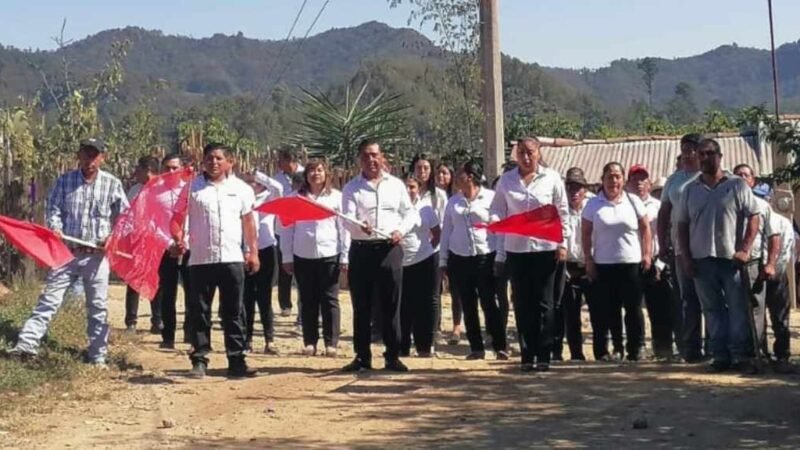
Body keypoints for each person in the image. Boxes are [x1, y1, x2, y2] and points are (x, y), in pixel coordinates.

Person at [6, 138, 128, 366]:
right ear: (79, 156)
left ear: (102, 157)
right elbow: (53, 208)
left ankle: (97, 355)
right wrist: (56, 228)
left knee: (98, 306)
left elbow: (124, 217)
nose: (90, 159)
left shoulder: (112, 184)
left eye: (95, 155)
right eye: (86, 154)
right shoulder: (65, 182)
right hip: (66, 253)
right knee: (49, 300)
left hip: (96, 256)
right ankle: (26, 345)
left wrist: (113, 237)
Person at [677, 138, 760, 373]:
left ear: (719, 156)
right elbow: (682, 225)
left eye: (709, 154)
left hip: (730, 259)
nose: (704, 158)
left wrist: (745, 249)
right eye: (701, 154)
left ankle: (740, 355)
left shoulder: (736, 186)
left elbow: (754, 215)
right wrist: (685, 258)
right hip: (701, 260)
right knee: (712, 310)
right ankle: (720, 356)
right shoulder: (689, 189)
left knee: (736, 308)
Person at [179, 143, 260, 379]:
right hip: (200, 259)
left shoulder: (242, 189)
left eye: (219, 158)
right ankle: (200, 358)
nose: (214, 162)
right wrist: (180, 240)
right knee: (199, 311)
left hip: (231, 257)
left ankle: (237, 359)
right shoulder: (191, 188)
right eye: (209, 158)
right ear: (203, 161)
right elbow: (180, 219)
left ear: (229, 162)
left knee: (234, 311)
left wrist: (253, 251)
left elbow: (248, 222)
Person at [491, 137, 570, 372]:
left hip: (545, 250)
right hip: (517, 250)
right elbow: (497, 209)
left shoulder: (552, 178)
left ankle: (544, 354)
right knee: (523, 303)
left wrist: (562, 243)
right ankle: (527, 355)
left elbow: (562, 212)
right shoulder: (506, 180)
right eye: (522, 153)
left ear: (539, 153)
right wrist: (496, 222)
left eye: (531, 153)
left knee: (545, 303)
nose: (526, 157)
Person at [341, 139, 418, 372]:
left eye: (375, 155)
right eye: (366, 156)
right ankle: (362, 357)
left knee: (391, 304)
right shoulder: (351, 188)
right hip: (362, 250)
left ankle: (392, 356)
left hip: (390, 249)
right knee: (361, 305)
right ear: (359, 160)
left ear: (382, 157)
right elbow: (346, 219)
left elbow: (410, 214)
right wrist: (358, 227)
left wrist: (400, 231)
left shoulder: (396, 185)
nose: (371, 160)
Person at [583, 162, 653, 361]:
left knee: (633, 308)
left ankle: (636, 347)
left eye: (617, 176)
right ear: (602, 179)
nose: (613, 181)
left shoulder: (633, 201)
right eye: (609, 176)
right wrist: (588, 259)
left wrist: (647, 254)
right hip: (604, 264)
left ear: (623, 179)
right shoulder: (593, 204)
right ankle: (617, 347)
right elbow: (586, 233)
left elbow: (646, 229)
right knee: (610, 309)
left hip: (631, 262)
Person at [440, 162, 508, 360]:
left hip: (485, 256)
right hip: (460, 258)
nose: (456, 178)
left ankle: (499, 345)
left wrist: (500, 256)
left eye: (460, 174)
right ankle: (476, 347)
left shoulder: (490, 198)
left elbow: (499, 229)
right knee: (468, 303)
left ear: (470, 177)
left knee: (489, 302)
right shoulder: (453, 202)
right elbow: (447, 232)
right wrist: (443, 260)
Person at [280, 160, 345, 357]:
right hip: (302, 254)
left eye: (319, 170)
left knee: (330, 299)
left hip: (329, 253)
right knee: (307, 299)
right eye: (311, 171)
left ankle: (331, 342)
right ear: (305, 175)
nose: (315, 174)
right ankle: (310, 341)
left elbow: (343, 229)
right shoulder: (295, 199)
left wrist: (345, 255)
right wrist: (287, 256)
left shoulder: (336, 198)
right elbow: (286, 229)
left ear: (326, 174)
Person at [657, 133, 705, 362]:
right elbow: (664, 213)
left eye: (692, 150)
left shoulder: (710, 178)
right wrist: (662, 242)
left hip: (708, 249)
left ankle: (717, 345)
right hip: (679, 250)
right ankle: (691, 348)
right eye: (684, 150)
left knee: (712, 299)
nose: (687, 154)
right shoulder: (674, 181)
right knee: (687, 299)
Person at [732, 164, 780, 361]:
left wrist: (770, 264)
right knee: (734, 308)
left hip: (754, 263)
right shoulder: (726, 203)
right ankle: (739, 352)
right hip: (730, 263)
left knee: (756, 310)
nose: (742, 178)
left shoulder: (762, 206)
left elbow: (774, 236)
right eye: (738, 175)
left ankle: (758, 352)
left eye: (746, 175)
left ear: (753, 181)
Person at [627, 164, 674, 359]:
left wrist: (660, 263)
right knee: (633, 308)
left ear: (649, 182)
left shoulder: (659, 206)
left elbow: (667, 236)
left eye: (643, 179)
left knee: (660, 309)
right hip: (630, 262)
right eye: (635, 179)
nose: (639, 183)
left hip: (655, 262)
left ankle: (663, 349)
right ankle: (636, 348)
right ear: (628, 182)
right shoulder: (623, 205)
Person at [399, 173, 440, 358]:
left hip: (424, 260)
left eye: (412, 187)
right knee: (403, 305)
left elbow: (437, 233)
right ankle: (402, 346)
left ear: (418, 188)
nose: (409, 190)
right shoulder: (395, 210)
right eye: (405, 187)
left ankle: (425, 346)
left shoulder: (425, 209)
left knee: (424, 304)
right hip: (400, 262)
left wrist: (426, 251)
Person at [154, 153, 193, 349]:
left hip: (188, 249)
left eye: (174, 168)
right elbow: (151, 223)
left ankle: (190, 332)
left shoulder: (191, 190)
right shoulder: (154, 192)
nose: (170, 172)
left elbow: (196, 220)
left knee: (192, 292)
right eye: (167, 168)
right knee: (167, 293)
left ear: (182, 169)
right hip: (166, 249)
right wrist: (170, 243)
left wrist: (184, 242)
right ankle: (168, 335)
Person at [243, 170, 283, 355]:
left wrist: (258, 174)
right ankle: (247, 339)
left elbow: (278, 187)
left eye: (255, 182)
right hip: (246, 251)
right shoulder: (241, 197)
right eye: (249, 182)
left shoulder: (269, 198)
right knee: (247, 297)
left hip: (267, 250)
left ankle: (269, 340)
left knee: (265, 297)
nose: (252, 184)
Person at [553, 167, 590, 361]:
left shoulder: (593, 208)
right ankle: (574, 353)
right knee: (568, 313)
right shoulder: (559, 210)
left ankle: (602, 350)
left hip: (590, 265)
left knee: (599, 311)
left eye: (578, 188)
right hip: (567, 267)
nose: (574, 192)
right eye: (570, 188)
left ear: (584, 190)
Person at [409, 154, 446, 348]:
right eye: (419, 168)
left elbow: (442, 224)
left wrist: (434, 247)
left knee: (433, 293)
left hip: (433, 249)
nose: (422, 171)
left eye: (426, 168)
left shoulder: (438, 195)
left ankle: (435, 329)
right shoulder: (406, 192)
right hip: (412, 251)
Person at [124, 155, 163, 334]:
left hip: (158, 242)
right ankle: (131, 321)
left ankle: (158, 319)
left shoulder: (163, 189)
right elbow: (128, 215)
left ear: (147, 170)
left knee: (156, 281)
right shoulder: (135, 190)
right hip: (138, 241)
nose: (135, 173)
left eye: (138, 169)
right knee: (134, 281)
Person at [434, 162, 464, 344]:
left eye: (445, 173)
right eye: (438, 173)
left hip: (457, 248)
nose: (441, 177)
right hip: (438, 247)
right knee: (436, 291)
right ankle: (436, 326)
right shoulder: (432, 196)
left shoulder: (457, 197)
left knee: (456, 290)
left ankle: (456, 326)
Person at [762, 201, 793, 372]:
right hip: (755, 275)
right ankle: (762, 353)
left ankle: (782, 354)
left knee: (780, 318)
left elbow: (787, 248)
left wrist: (773, 268)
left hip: (777, 275)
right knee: (757, 318)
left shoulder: (782, 222)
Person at [275, 146, 304, 318]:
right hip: (283, 227)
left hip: (302, 227)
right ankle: (285, 303)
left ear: (290, 160)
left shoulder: (306, 174)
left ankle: (303, 307)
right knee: (284, 267)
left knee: (302, 269)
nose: (278, 163)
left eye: (281, 159)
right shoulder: (277, 178)